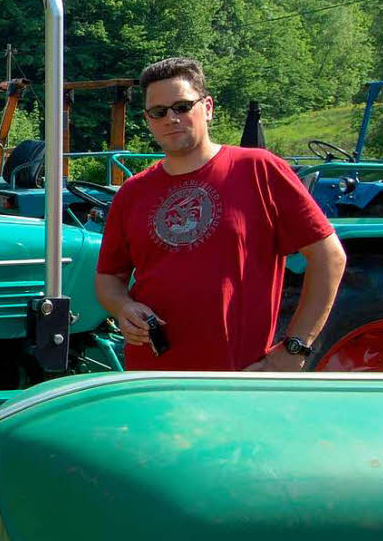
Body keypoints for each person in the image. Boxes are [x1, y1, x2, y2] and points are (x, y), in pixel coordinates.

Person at [95, 57, 346, 372]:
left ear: (208, 107)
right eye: (159, 112)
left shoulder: (258, 169)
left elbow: (329, 257)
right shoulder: (132, 192)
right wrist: (123, 307)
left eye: (182, 107)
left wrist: (295, 348)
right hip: (152, 377)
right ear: (148, 120)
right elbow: (108, 278)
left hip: (239, 376)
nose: (171, 119)